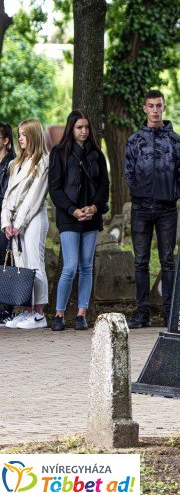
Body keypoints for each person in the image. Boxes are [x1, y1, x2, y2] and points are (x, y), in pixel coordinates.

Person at [125, 89, 180, 329]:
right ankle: (142, 312)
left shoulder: (176, 141)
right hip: (141, 208)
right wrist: (140, 192)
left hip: (166, 209)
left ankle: (169, 312)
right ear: (145, 108)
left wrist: (171, 194)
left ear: (164, 107)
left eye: (158, 106)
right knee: (141, 261)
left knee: (167, 260)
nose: (155, 110)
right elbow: (128, 173)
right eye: (151, 106)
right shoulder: (134, 141)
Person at [48, 110, 109, 332]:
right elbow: (54, 189)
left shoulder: (97, 154)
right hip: (69, 217)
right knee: (70, 266)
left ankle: (81, 314)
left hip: (91, 216)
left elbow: (104, 186)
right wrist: (73, 210)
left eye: (86, 127)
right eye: (79, 127)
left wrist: (94, 207)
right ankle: (59, 314)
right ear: (71, 128)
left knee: (86, 266)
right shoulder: (58, 153)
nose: (84, 131)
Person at [0, 118, 50, 329]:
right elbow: (7, 196)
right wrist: (6, 223)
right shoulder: (15, 163)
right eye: (19, 134)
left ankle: (39, 313)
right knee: (21, 265)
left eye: (24, 134)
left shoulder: (43, 161)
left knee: (35, 264)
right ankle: (26, 310)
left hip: (33, 218)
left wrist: (18, 223)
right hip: (14, 221)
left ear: (34, 136)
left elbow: (34, 197)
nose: (20, 138)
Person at [0, 122, 16, 323]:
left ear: (5, 141)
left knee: (5, 262)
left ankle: (6, 309)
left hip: (5, 218)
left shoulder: (12, 163)